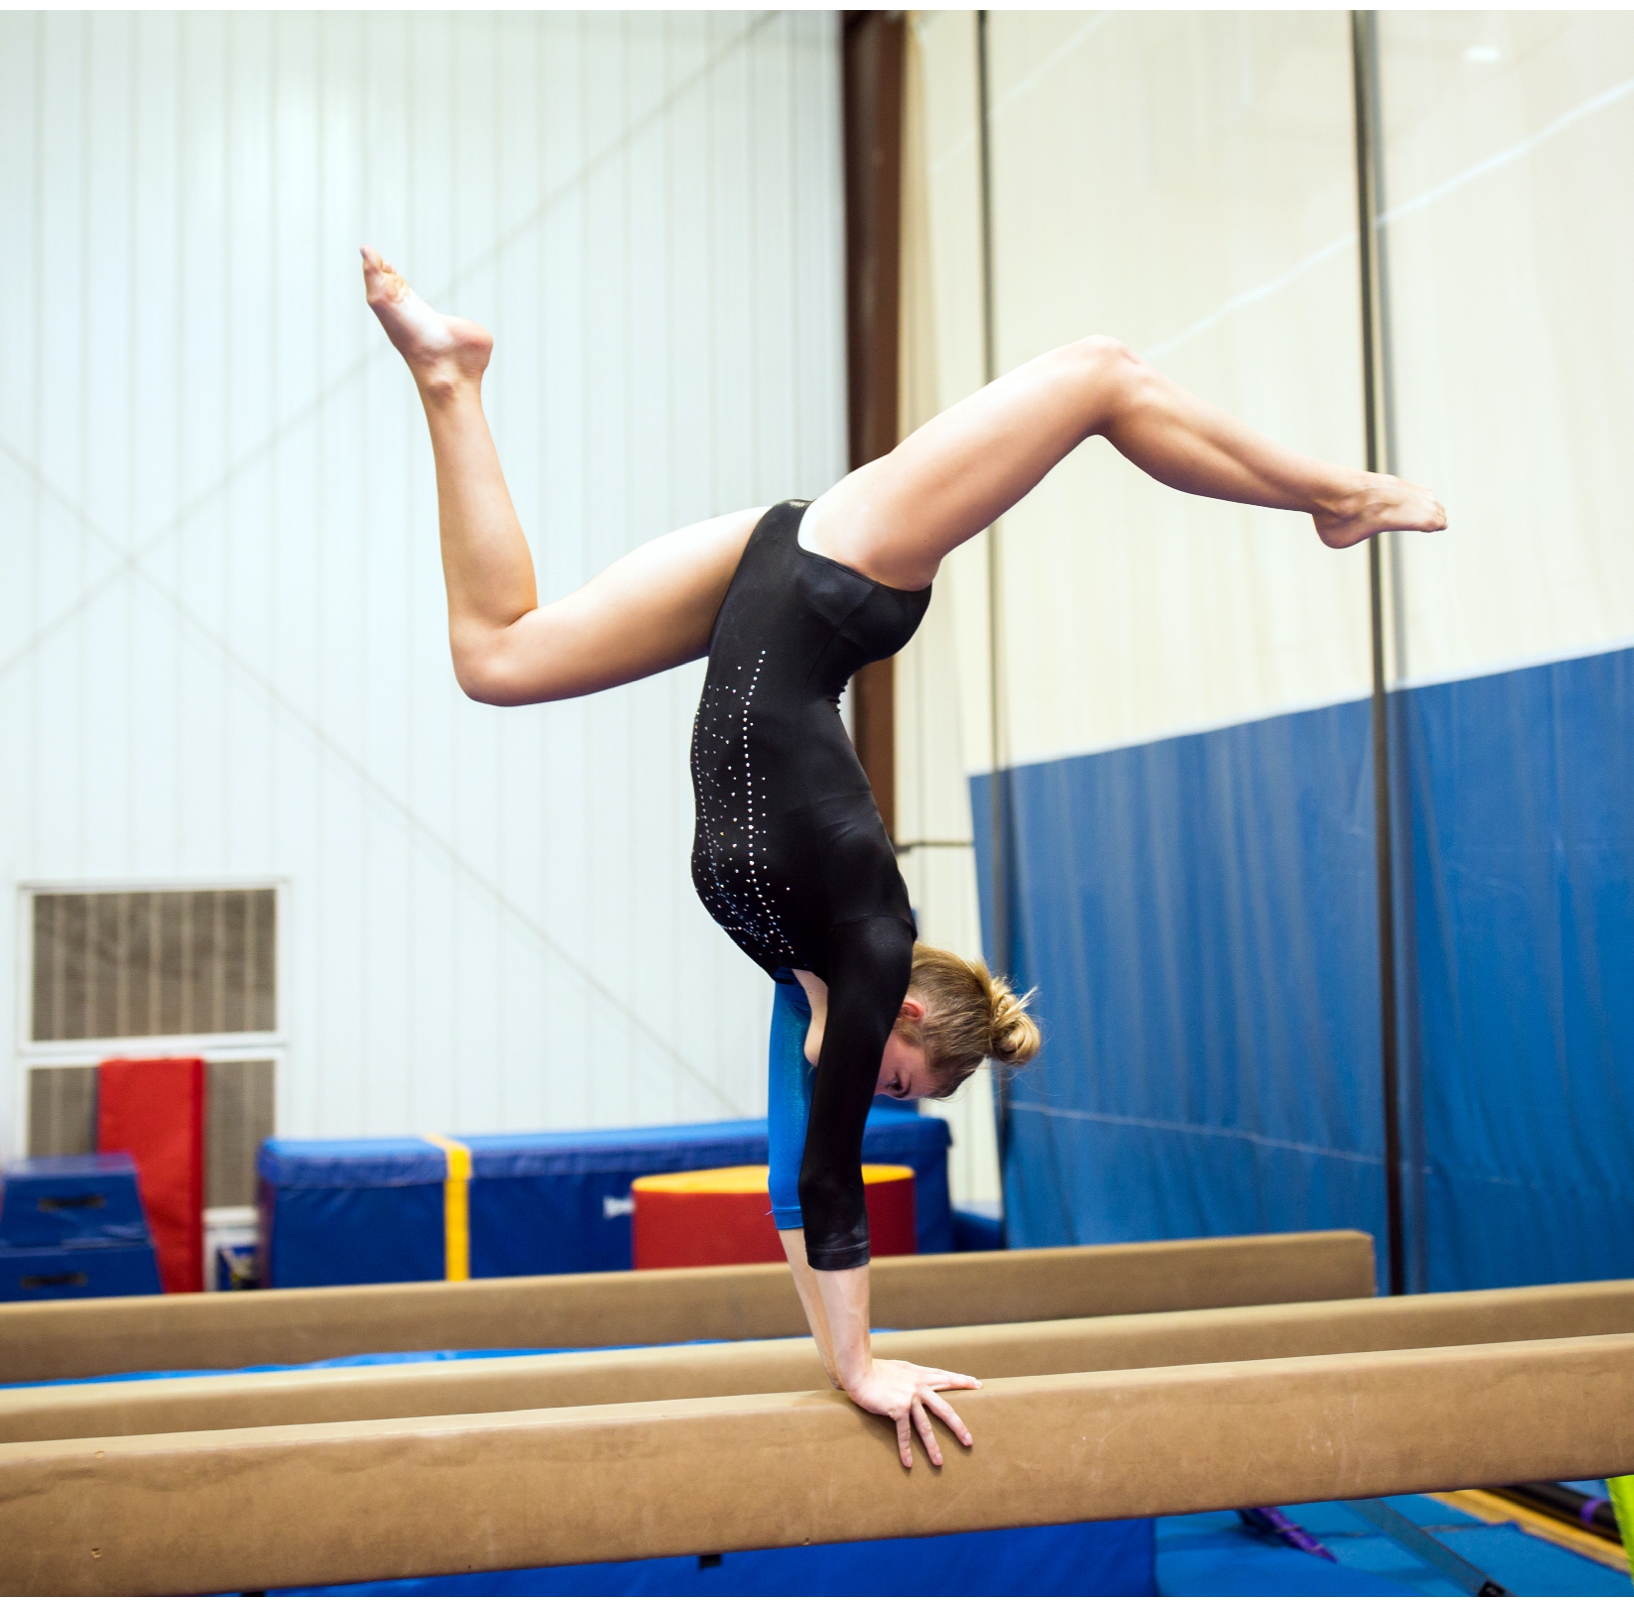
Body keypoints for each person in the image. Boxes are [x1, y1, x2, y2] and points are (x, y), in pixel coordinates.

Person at [361, 246, 1446, 1472]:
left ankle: (451, 377)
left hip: (757, 580)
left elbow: (789, 1179)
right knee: (1097, 375)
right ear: (917, 1009)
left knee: (499, 659)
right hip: (842, 571)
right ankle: (1334, 497)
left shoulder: (801, 985)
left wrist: (839, 1360)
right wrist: (869, 1364)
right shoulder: (866, 955)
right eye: (906, 1083)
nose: (886, 1098)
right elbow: (835, 1175)